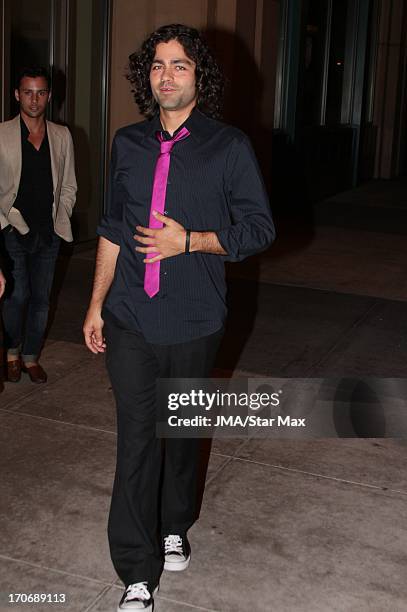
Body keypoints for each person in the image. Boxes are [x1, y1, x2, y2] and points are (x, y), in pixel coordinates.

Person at [83, 23, 275, 611]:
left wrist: (190, 240)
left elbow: (258, 229)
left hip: (195, 318)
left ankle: (174, 524)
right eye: (158, 66)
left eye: (180, 65)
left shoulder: (228, 147)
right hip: (130, 318)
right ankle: (136, 572)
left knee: (181, 433)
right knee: (137, 441)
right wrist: (95, 303)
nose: (166, 76)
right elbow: (114, 227)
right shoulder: (128, 143)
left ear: (200, 76)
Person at [0, 66, 77, 384]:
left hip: (49, 231)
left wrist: (63, 216)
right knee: (17, 297)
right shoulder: (2, 133)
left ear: (49, 96)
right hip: (12, 229)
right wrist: (5, 224)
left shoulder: (61, 135)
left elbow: (69, 184)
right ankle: (12, 353)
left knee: (42, 299)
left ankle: (31, 357)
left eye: (41, 92)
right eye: (28, 92)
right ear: (17, 94)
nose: (34, 99)